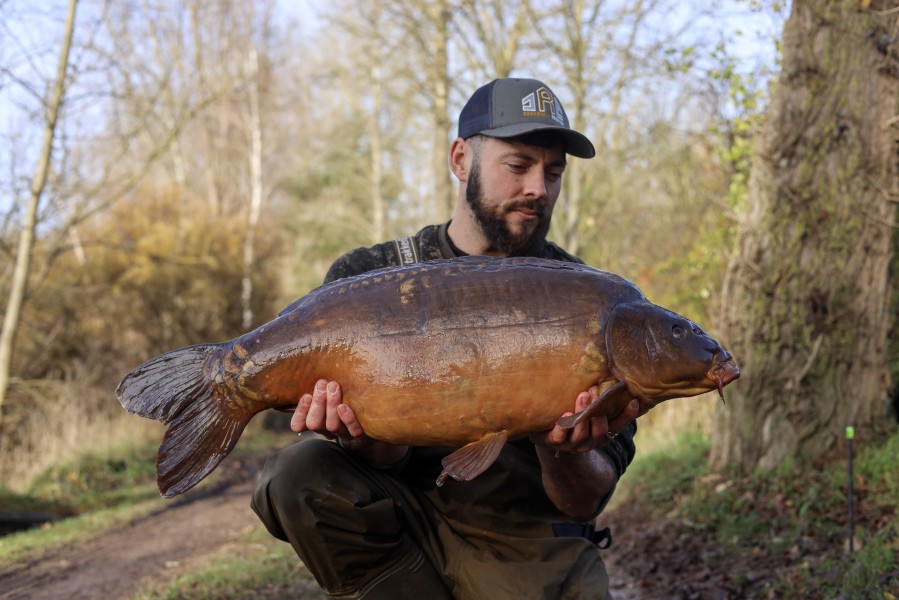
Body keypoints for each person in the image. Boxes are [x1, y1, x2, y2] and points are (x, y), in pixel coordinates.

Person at [251, 78, 639, 599]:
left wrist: (562, 449)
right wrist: (362, 436)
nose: (538, 189)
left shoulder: (593, 301)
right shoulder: (371, 275)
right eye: (518, 165)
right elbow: (370, 464)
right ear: (461, 160)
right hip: (400, 520)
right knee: (298, 471)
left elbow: (585, 501)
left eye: (553, 173)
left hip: (520, 541)